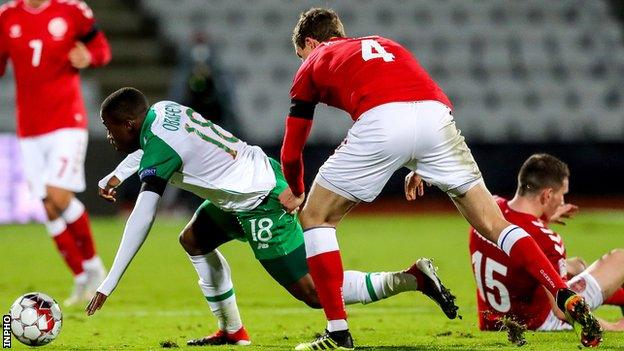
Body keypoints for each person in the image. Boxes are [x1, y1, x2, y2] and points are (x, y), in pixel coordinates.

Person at [277, 8, 601, 349]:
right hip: (436, 118)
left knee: (316, 217)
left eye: (301, 54)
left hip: (381, 120)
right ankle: (563, 292)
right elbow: (414, 106)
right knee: (494, 223)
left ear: (311, 42)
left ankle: (337, 333)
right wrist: (420, 161)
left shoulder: (314, 60)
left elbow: (290, 150)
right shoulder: (386, 44)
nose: (302, 60)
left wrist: (297, 191)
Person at [85, 87, 459, 346]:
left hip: (260, 200)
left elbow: (143, 216)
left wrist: (109, 281)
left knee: (314, 293)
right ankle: (232, 331)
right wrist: (120, 172)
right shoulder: (162, 110)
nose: (109, 135)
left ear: (129, 124)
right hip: (244, 181)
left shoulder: (159, 145)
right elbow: (151, 149)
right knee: (194, 239)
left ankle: (411, 280)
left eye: (110, 128)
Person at [0, 0, 111, 306]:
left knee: (58, 197)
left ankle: (93, 269)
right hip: (30, 128)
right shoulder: (7, 16)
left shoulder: (73, 11)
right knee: (49, 207)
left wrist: (89, 55)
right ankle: (82, 277)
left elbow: (102, 49)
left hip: (66, 121)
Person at [469, 154, 624, 332]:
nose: (563, 202)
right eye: (562, 195)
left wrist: (541, 219)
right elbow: (561, 310)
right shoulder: (547, 239)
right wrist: (614, 327)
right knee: (619, 259)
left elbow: (517, 238)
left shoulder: (489, 211)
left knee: (575, 266)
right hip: (540, 323)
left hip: (492, 321)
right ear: (547, 195)